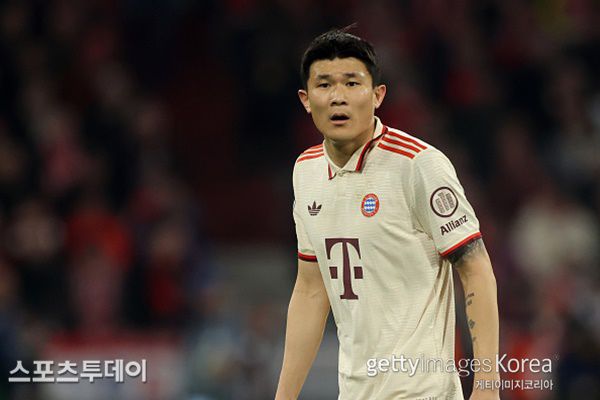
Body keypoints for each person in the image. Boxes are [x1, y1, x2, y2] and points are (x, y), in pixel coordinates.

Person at [274, 28, 500, 400]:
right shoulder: (306, 171)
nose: (338, 97)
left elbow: (476, 268)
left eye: (352, 83)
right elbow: (312, 289)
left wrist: (487, 387)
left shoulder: (418, 165)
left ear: (378, 95)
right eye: (324, 85)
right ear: (306, 99)